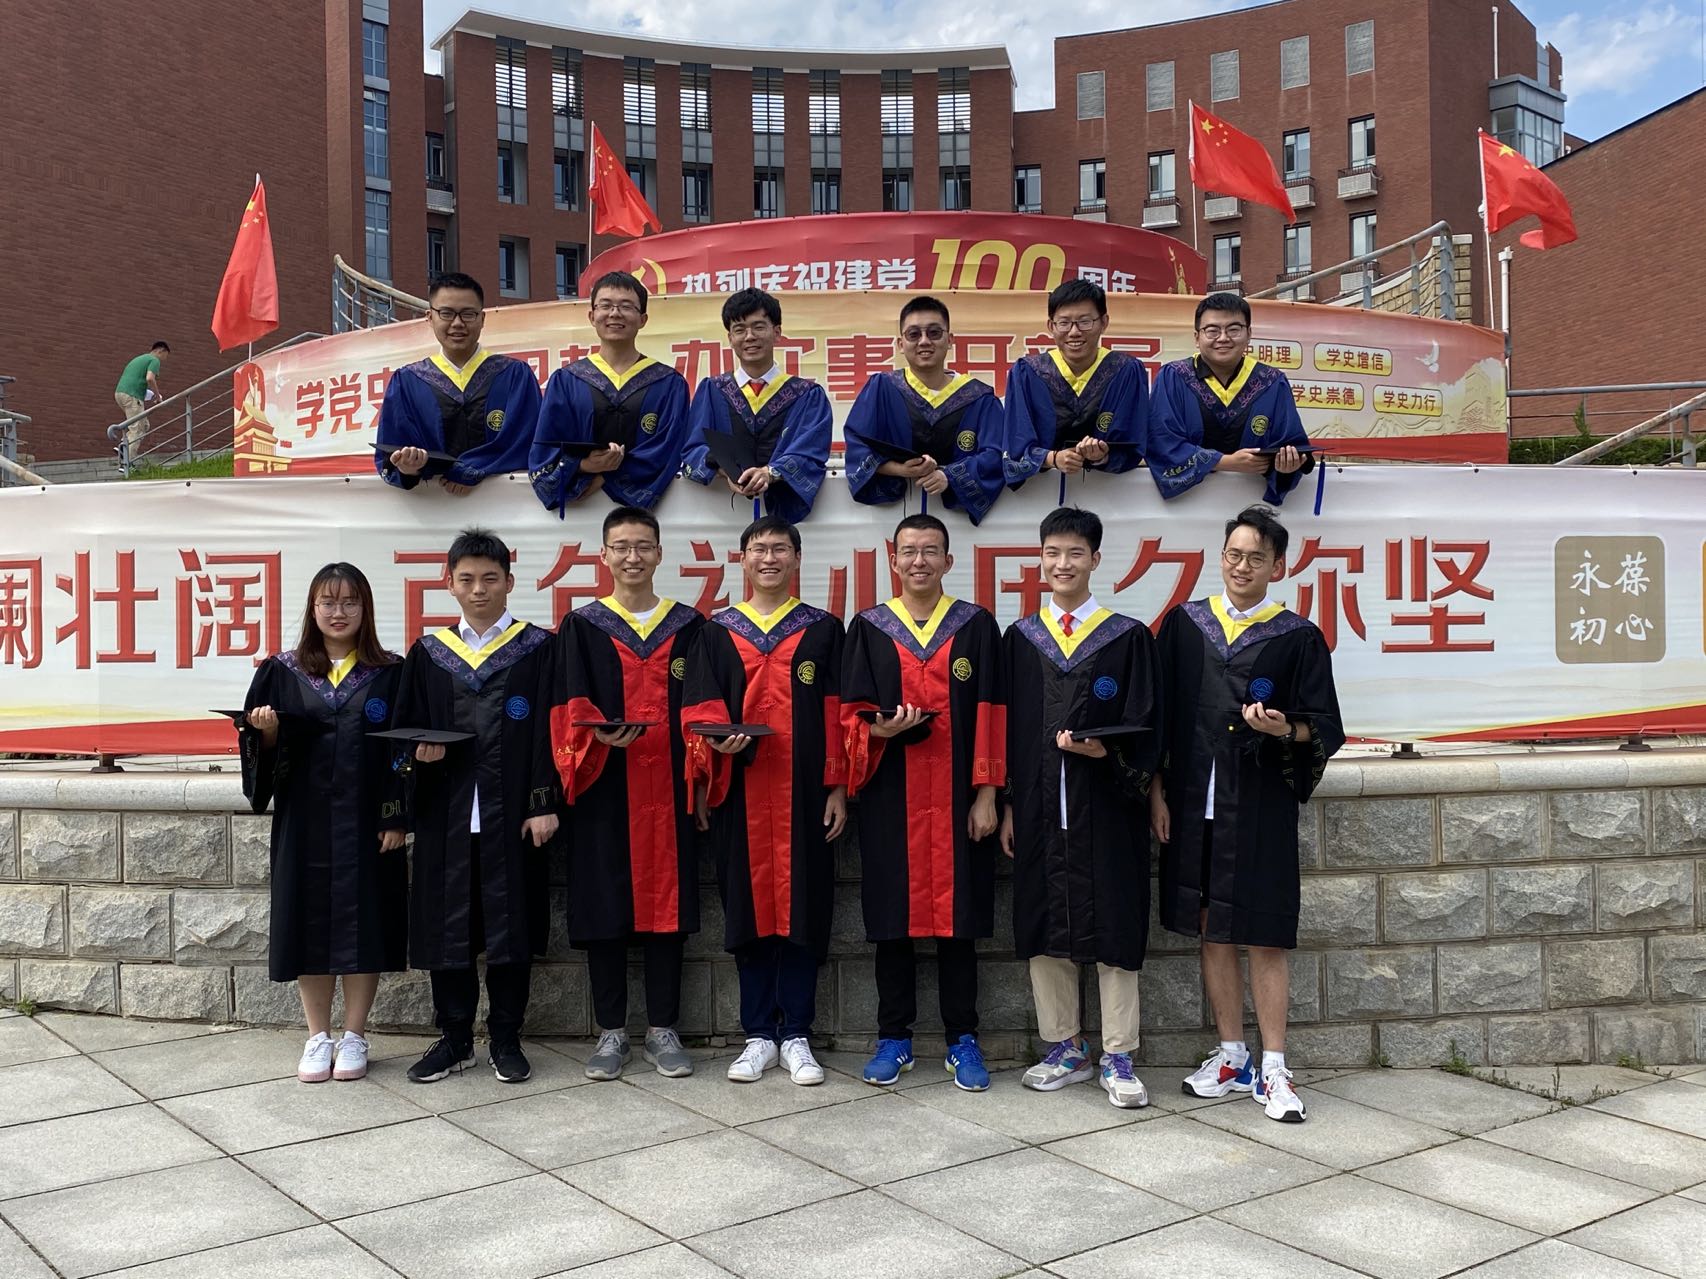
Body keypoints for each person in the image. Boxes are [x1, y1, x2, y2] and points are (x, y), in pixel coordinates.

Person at [1152, 505, 1343, 1122]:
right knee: (1212, 927)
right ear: (1221, 557)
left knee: (1263, 932)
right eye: (1234, 554)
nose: (1242, 566)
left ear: (1277, 567)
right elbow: (1157, 717)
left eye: (1256, 558)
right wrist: (1155, 791)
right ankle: (1232, 1055)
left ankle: (1275, 1065)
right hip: (1194, 805)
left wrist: (1285, 728)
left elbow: (1325, 727)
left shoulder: (1297, 636)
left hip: (1258, 805)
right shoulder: (1185, 626)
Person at [1000, 506, 1161, 1109]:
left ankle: (1118, 1053)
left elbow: (1148, 726)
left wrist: (1107, 753)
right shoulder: (1020, 640)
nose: (1062, 564)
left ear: (1095, 560)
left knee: (1115, 920)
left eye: (1074, 553)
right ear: (1039, 560)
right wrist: (1008, 803)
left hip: (1108, 807)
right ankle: (1065, 1045)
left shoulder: (1127, 638)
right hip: (1038, 806)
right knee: (1044, 917)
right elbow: (1005, 733)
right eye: (1052, 553)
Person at [681, 516, 847, 1085]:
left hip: (806, 795)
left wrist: (837, 786)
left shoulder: (823, 629)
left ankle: (796, 1034)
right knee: (746, 910)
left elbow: (838, 714)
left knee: (805, 909)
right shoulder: (716, 631)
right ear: (743, 560)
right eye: (759, 549)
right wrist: (707, 768)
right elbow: (699, 707)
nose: (769, 558)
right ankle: (757, 1034)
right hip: (739, 791)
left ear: (797, 559)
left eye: (780, 548)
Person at [842, 513, 1005, 1091]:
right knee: (892, 920)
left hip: (960, 799)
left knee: (960, 923)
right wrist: (877, 732)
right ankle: (895, 1037)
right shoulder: (868, 627)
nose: (919, 561)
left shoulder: (976, 626)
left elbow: (992, 713)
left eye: (930, 551)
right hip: (890, 797)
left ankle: (963, 1038)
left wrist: (988, 795)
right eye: (908, 551)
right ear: (893, 560)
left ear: (948, 560)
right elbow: (848, 715)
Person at [394, 528, 560, 1085]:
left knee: (511, 928)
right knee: (448, 929)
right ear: (449, 584)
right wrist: (419, 759)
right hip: (446, 815)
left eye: (490, 578)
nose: (479, 589)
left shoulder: (537, 649)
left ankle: (506, 1038)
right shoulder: (429, 654)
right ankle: (455, 1038)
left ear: (510, 582)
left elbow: (551, 734)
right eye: (466, 579)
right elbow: (404, 735)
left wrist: (542, 802)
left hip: (513, 816)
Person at [552, 505, 705, 1081]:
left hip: (670, 787)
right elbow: (567, 706)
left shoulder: (690, 627)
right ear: (604, 555)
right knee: (604, 904)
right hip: (604, 788)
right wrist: (594, 737)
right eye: (621, 546)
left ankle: (664, 1028)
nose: (632, 556)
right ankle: (611, 1030)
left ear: (659, 553)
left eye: (643, 546)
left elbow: (704, 706)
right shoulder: (582, 626)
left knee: (669, 906)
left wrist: (702, 780)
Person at [240, 563, 407, 1084]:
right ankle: (318, 1036)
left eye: (350, 602)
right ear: (312, 609)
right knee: (307, 920)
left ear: (366, 609)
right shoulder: (281, 671)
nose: (339, 612)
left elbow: (403, 751)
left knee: (366, 922)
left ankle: (355, 1034)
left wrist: (397, 816)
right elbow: (256, 748)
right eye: (328, 602)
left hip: (368, 820)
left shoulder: (391, 672)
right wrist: (266, 735)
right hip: (305, 820)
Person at [530, 271, 691, 515]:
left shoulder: (668, 383)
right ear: (592, 316)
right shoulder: (567, 381)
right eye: (605, 306)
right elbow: (545, 448)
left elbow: (667, 449)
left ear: (643, 319)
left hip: (646, 517)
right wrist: (583, 465)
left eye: (626, 306)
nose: (615, 313)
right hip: (578, 514)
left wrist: (604, 477)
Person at [843, 296, 1005, 525]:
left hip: (959, 522)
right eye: (914, 334)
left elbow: (996, 455)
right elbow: (858, 447)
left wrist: (949, 476)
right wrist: (900, 470)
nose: (924, 341)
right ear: (901, 344)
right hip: (894, 518)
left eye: (934, 333)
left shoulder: (980, 398)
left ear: (950, 340)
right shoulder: (882, 389)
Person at [375, 273, 541, 494]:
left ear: (482, 318)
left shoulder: (514, 376)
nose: (457, 323)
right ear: (430, 317)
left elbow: (527, 442)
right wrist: (408, 468)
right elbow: (392, 452)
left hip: (505, 504)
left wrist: (470, 470)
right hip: (434, 506)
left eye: (468, 314)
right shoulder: (408, 382)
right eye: (446, 313)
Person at [1145, 292, 1311, 505]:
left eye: (1234, 329)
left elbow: (1290, 443)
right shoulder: (1173, 378)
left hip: (1252, 507)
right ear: (1197, 337)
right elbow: (1161, 442)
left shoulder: (1271, 381)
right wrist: (1225, 462)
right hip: (1185, 506)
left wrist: (1287, 465)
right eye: (1212, 330)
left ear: (1249, 334)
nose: (1223, 338)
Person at [682, 288, 832, 523]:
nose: (749, 336)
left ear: (777, 332)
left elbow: (811, 452)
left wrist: (770, 473)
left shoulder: (807, 395)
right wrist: (725, 470)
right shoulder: (713, 390)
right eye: (739, 329)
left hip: (784, 519)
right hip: (723, 515)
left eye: (758, 327)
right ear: (730, 338)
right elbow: (693, 449)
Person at [1001, 280, 1147, 496]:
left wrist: (1102, 455)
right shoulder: (1027, 373)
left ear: (1104, 322)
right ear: (1051, 326)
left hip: (1110, 494)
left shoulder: (1126, 371)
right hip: (1040, 496)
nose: (1074, 332)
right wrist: (1052, 458)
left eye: (1085, 322)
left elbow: (1135, 442)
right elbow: (1015, 445)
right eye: (1064, 323)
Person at [114, 341, 169, 449]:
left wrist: (151, 394)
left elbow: (136, 380)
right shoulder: (154, 360)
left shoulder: (139, 359)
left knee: (144, 425)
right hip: (132, 396)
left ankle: (123, 446)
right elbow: (150, 378)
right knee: (137, 429)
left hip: (120, 394)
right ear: (160, 351)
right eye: (165, 356)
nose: (164, 359)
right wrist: (158, 397)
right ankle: (128, 457)